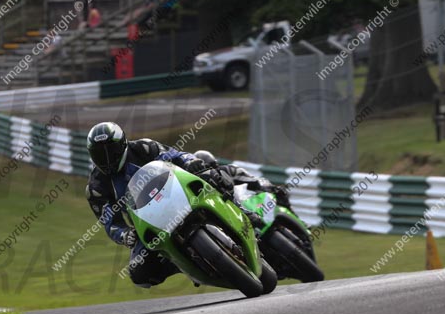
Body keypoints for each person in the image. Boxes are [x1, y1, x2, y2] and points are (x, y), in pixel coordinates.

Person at [84, 122, 261, 288]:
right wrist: (124, 235)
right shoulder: (96, 188)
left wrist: (190, 163)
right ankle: (181, 263)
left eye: (111, 151)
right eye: (99, 154)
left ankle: (240, 210)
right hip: (147, 219)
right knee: (139, 273)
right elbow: (110, 223)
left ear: (123, 144)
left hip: (175, 191)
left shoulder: (143, 148)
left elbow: (174, 156)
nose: (107, 158)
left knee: (210, 174)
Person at [193, 150, 292, 210]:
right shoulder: (197, 187)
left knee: (279, 194)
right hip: (226, 212)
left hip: (247, 205)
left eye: (210, 168)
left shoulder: (227, 170)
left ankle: (293, 216)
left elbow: (253, 181)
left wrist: (271, 189)